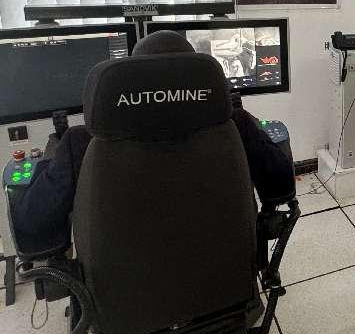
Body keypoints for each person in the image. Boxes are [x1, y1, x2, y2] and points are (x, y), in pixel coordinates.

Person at [10, 30, 297, 257]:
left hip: (123, 305)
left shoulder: (80, 144)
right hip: (229, 290)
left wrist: (49, 162)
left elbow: (33, 223)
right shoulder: (237, 125)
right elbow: (281, 185)